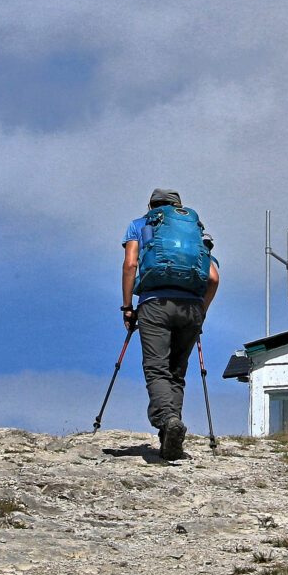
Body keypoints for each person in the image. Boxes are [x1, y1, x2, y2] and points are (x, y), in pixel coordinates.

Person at [122, 189, 219, 459]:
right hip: (191, 308)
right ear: (179, 208)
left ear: (150, 206)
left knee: (156, 369)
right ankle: (169, 437)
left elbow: (130, 265)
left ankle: (168, 422)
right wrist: (202, 311)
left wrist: (128, 307)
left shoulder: (140, 225)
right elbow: (212, 277)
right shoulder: (195, 232)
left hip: (155, 303)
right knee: (176, 372)